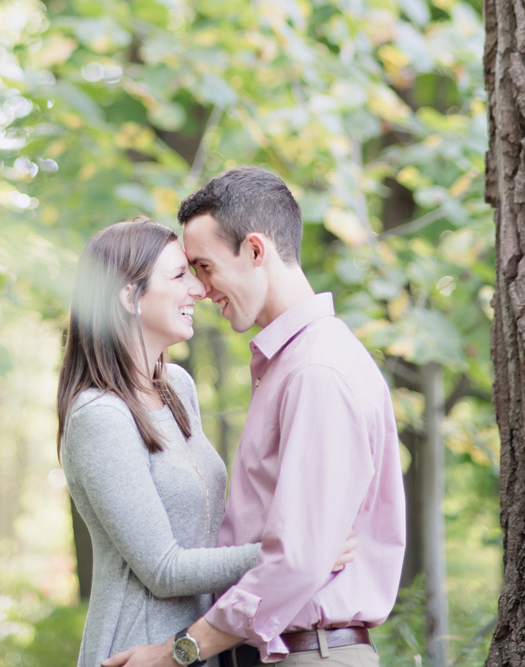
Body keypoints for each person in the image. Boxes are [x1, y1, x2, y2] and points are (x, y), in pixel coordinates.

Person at [102, 167, 406, 667]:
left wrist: (179, 652)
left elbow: (298, 558)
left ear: (256, 251)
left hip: (311, 655)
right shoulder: (291, 365)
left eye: (204, 266)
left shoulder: (316, 371)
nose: (200, 289)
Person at [58, 217, 354, 667]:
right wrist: (297, 551)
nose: (198, 289)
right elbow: (164, 570)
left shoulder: (177, 385)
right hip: (136, 651)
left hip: (196, 649)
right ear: (128, 297)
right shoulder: (100, 417)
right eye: (179, 275)